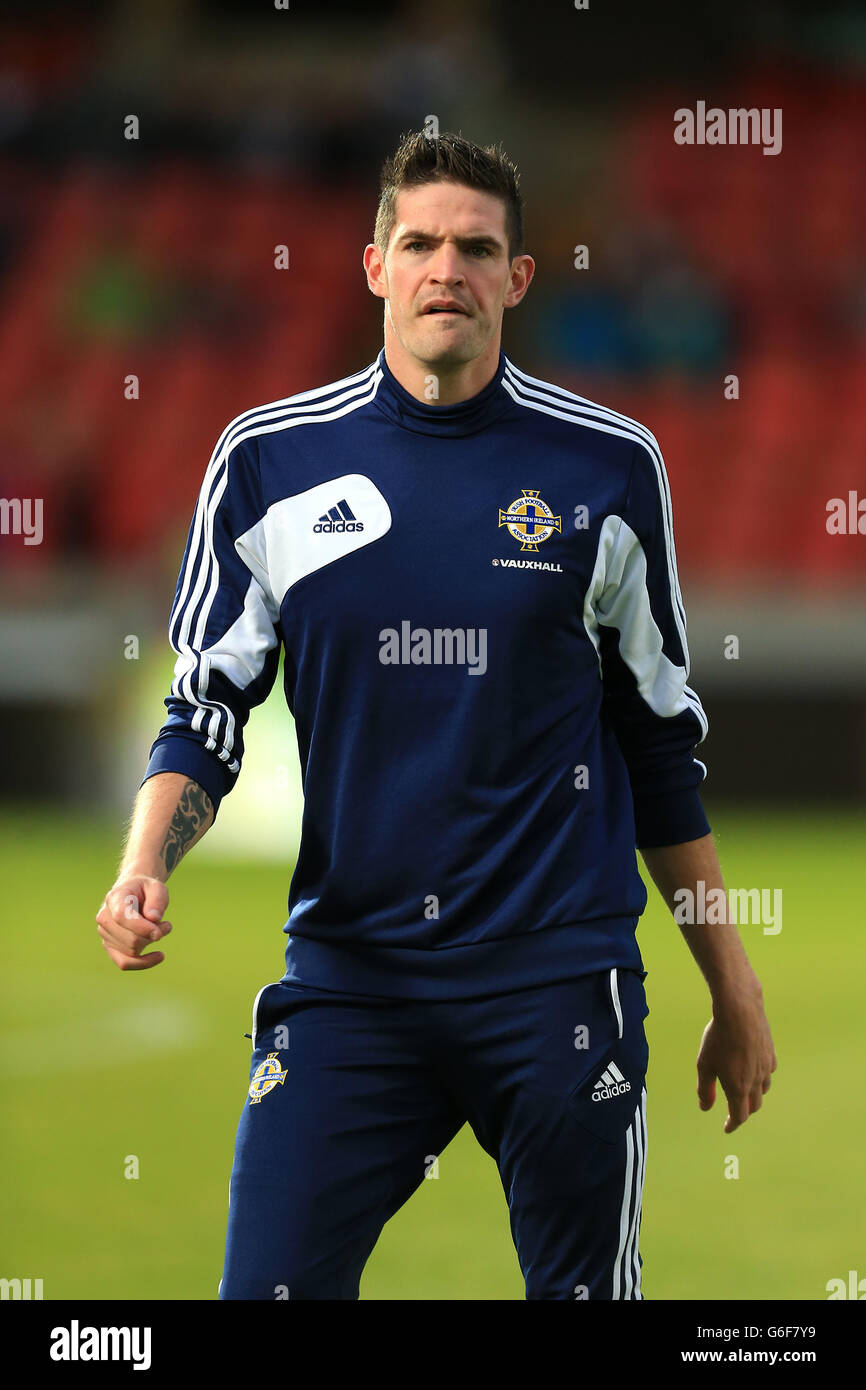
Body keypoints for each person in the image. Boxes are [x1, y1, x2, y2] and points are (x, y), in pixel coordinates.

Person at [95, 130, 776, 1300]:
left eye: (474, 247)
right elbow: (205, 705)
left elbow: (658, 750)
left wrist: (731, 983)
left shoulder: (608, 466)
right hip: (352, 984)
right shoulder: (267, 462)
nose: (443, 269)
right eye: (418, 243)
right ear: (374, 266)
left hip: (557, 985)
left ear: (516, 276)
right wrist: (143, 860)